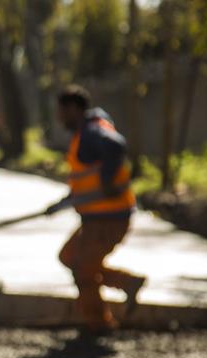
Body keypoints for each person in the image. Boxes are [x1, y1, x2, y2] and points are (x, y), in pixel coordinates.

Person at [54, 84, 146, 334]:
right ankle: (128, 282)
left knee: (84, 268)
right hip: (95, 219)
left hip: (109, 218)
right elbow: (86, 178)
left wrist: (107, 183)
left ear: (73, 108)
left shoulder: (92, 131)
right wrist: (64, 202)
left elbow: (115, 146)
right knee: (69, 257)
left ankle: (99, 325)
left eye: (61, 111)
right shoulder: (84, 133)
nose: (59, 117)